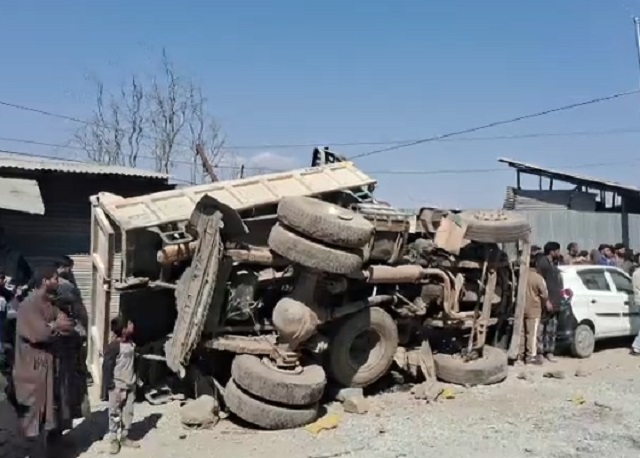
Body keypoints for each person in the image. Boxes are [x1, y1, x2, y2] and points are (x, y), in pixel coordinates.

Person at [12, 266, 74, 458]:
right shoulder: (28, 305)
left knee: (53, 413)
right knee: (33, 421)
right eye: (55, 278)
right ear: (45, 281)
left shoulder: (51, 303)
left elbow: (68, 325)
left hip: (51, 371)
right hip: (33, 373)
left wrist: (53, 325)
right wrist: (54, 326)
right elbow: (40, 334)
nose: (58, 281)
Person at [49, 285, 90, 448]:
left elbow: (80, 338)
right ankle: (53, 438)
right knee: (57, 405)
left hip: (67, 370)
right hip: (57, 370)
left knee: (66, 404)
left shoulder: (70, 321)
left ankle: (58, 435)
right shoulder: (53, 321)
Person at [102, 316, 140, 455]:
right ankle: (113, 439)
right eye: (129, 323)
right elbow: (107, 367)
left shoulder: (131, 344)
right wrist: (109, 385)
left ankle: (124, 437)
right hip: (117, 386)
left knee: (128, 412)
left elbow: (135, 362)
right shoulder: (113, 347)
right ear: (123, 329)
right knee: (114, 413)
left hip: (130, 384)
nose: (132, 325)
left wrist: (137, 379)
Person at [536, 241, 563, 363]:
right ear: (552, 252)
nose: (559, 253)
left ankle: (549, 351)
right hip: (546, 302)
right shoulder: (543, 264)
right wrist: (546, 300)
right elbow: (540, 284)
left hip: (555, 301)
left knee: (552, 329)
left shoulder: (554, 263)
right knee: (542, 328)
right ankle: (539, 352)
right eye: (557, 250)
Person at [519, 256, 549, 365]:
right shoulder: (538, 278)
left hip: (521, 308)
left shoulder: (521, 276)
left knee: (521, 333)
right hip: (534, 309)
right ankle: (531, 357)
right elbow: (544, 294)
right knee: (532, 334)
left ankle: (520, 355)